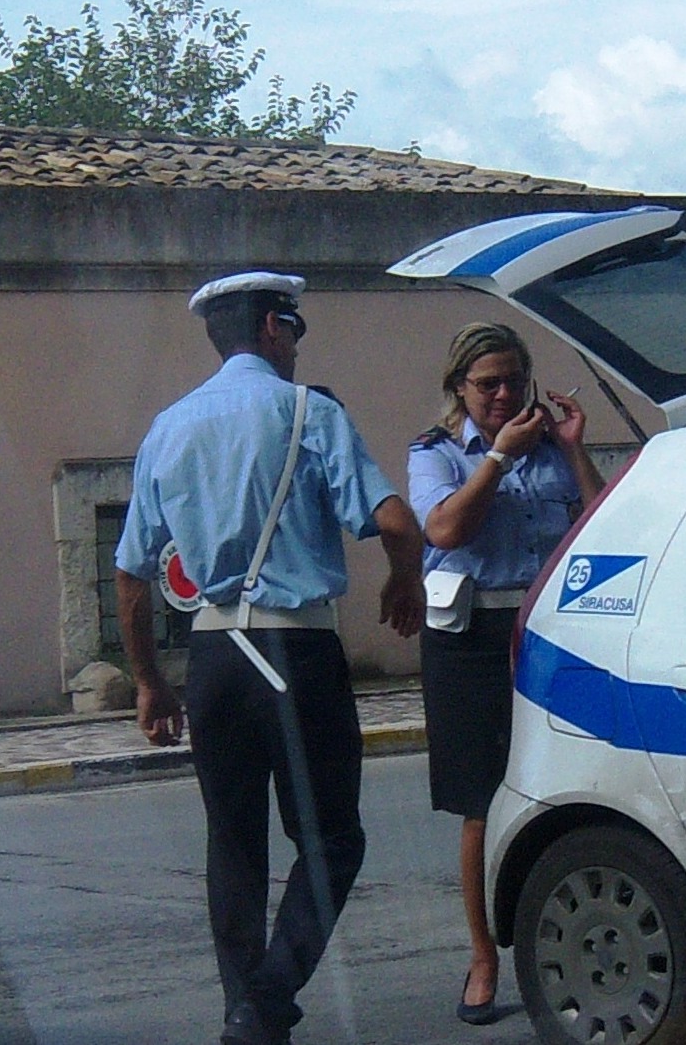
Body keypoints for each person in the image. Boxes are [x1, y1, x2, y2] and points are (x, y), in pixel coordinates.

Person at [114, 271, 425, 1045]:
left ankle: (244, 1015)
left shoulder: (168, 427)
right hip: (297, 648)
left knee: (234, 841)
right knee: (333, 839)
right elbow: (395, 519)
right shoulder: (309, 412)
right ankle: (268, 996)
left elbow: (130, 572)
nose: (297, 343)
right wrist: (404, 580)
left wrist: (151, 681)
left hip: (215, 654)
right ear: (273, 329)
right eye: (296, 328)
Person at [407, 322, 603, 1025]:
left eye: (513, 381)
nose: (501, 394)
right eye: (487, 383)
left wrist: (574, 450)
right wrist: (495, 458)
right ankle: (484, 955)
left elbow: (605, 522)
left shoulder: (550, 450)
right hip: (467, 638)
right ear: (458, 386)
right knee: (482, 803)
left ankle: (564, 942)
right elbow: (445, 530)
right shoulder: (435, 453)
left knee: (572, 786)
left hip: (546, 631)